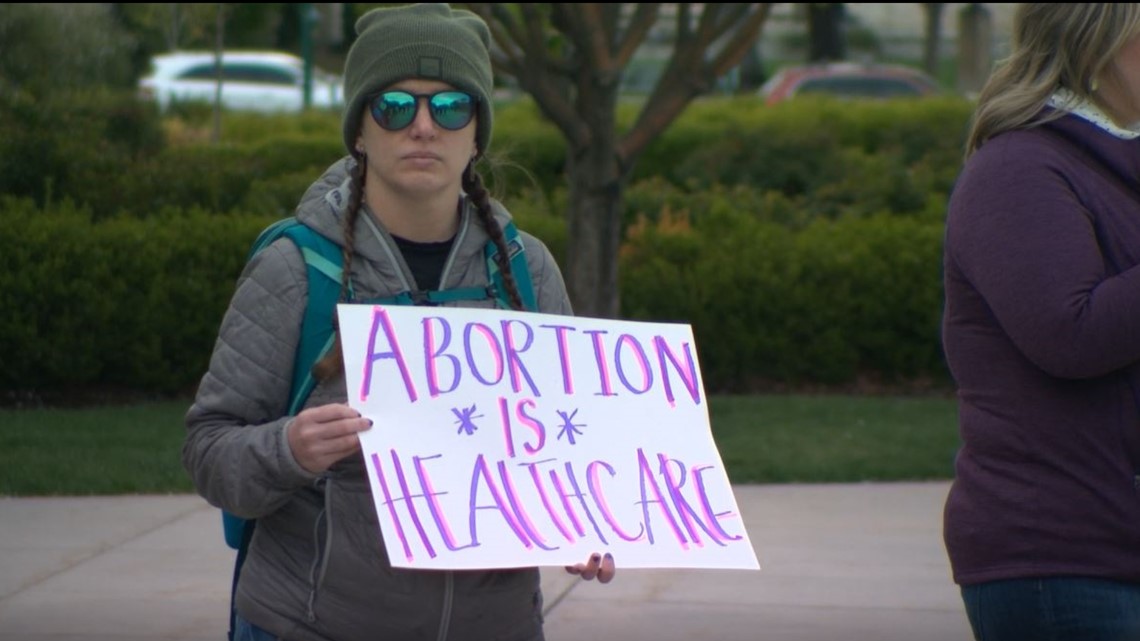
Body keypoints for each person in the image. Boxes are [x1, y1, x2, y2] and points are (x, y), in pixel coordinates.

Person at [183, 4, 615, 641]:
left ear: (476, 135)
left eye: (450, 108)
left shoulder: (525, 272)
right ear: (360, 129)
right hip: (307, 627)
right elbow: (209, 449)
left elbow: (572, 453)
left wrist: (584, 524)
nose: (422, 127)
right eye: (393, 106)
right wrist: (289, 450)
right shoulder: (297, 268)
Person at [941, 4, 1140, 640]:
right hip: (1065, 564)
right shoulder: (1017, 170)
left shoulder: (1116, 165)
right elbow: (1071, 334)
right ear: (1100, 40)